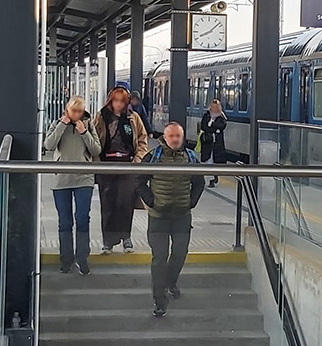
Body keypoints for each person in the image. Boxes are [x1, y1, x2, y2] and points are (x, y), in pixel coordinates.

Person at [136, 121, 204, 317]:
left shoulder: (191, 158)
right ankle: (160, 300)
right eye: (171, 136)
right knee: (159, 258)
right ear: (164, 137)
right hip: (159, 217)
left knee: (180, 253)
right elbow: (139, 181)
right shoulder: (153, 157)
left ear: (182, 137)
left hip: (182, 216)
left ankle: (170, 282)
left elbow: (199, 182)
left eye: (178, 136)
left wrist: (191, 202)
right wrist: (151, 201)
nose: (175, 139)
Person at [44, 96, 100, 274]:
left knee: (82, 219)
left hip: (84, 178)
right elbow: (49, 145)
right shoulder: (56, 123)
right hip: (62, 179)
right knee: (65, 221)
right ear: (67, 110)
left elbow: (96, 149)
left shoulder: (88, 125)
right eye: (74, 111)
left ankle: (82, 258)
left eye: (80, 111)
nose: (77, 114)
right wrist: (62, 125)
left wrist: (84, 132)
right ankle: (66, 259)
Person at [93, 85, 150, 252]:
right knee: (107, 203)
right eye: (116, 100)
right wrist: (97, 162)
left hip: (128, 164)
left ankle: (126, 237)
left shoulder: (133, 117)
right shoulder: (101, 117)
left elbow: (142, 139)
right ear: (111, 101)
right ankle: (108, 241)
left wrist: (138, 159)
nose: (119, 104)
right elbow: (94, 139)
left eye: (122, 101)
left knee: (125, 202)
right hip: (106, 164)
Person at [197, 99, 228, 186]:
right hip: (208, 141)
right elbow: (204, 126)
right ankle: (211, 178)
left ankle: (214, 176)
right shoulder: (206, 116)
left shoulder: (221, 117)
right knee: (208, 160)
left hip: (217, 143)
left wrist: (212, 125)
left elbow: (222, 126)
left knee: (216, 160)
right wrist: (215, 129)